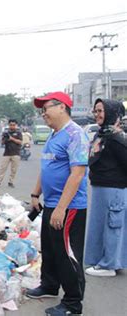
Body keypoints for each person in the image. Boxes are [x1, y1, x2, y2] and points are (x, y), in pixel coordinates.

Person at [26, 92, 89, 316]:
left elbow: (77, 175)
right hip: (52, 204)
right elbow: (47, 168)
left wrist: (62, 208)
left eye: (46, 109)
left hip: (69, 207)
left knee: (67, 254)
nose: (43, 114)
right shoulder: (54, 135)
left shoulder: (76, 135)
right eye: (42, 110)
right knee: (51, 250)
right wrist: (35, 195)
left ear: (62, 107)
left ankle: (73, 303)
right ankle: (50, 285)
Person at [84, 99, 127, 277]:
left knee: (112, 226)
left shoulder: (117, 138)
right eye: (95, 111)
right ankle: (106, 260)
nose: (97, 114)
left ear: (112, 112)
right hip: (102, 187)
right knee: (101, 226)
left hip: (113, 189)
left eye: (101, 111)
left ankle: (109, 265)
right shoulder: (103, 134)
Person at [0, 119, 22, 188]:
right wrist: (5, 139)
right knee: (2, 168)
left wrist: (12, 139)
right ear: (9, 125)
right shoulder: (5, 133)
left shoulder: (18, 133)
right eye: (11, 125)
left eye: (13, 125)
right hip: (7, 153)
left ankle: (11, 182)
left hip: (16, 153)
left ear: (16, 125)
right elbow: (2, 142)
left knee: (14, 169)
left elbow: (20, 142)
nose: (12, 126)